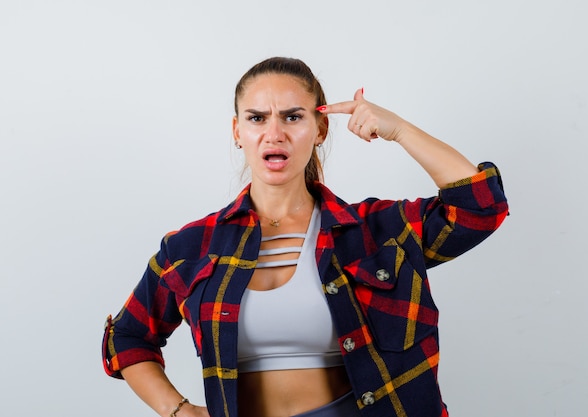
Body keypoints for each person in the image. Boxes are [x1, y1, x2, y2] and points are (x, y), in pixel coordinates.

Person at [102, 57, 508, 417]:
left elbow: (479, 206)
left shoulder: (374, 231)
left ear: (320, 129)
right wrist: (177, 410)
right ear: (237, 131)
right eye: (257, 118)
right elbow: (128, 335)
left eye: (293, 117)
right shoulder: (192, 246)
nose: (274, 133)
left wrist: (398, 129)